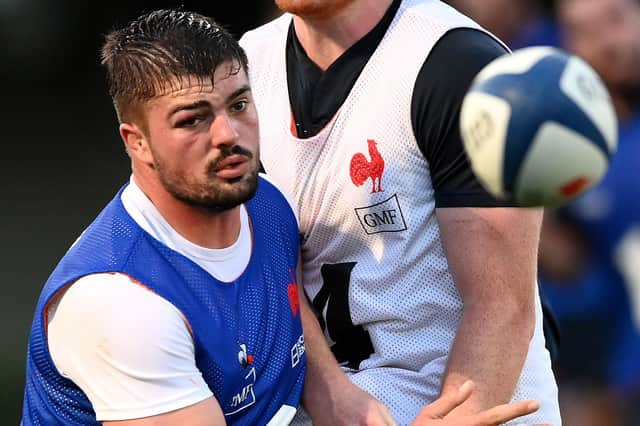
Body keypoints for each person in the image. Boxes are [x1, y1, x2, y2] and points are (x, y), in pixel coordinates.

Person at [20, 8, 544, 426]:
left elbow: (504, 303)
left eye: (240, 106)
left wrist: (335, 390)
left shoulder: (264, 208)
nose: (227, 134)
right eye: (192, 119)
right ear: (135, 143)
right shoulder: (121, 304)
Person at [240, 1, 562, 425]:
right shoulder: (243, 67)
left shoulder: (460, 64)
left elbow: (501, 306)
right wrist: (329, 391)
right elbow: (270, 277)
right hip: (334, 404)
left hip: (469, 407)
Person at [538, 0, 640, 424]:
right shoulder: (571, 155)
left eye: (615, 19)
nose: (605, 43)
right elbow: (577, 275)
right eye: (581, 31)